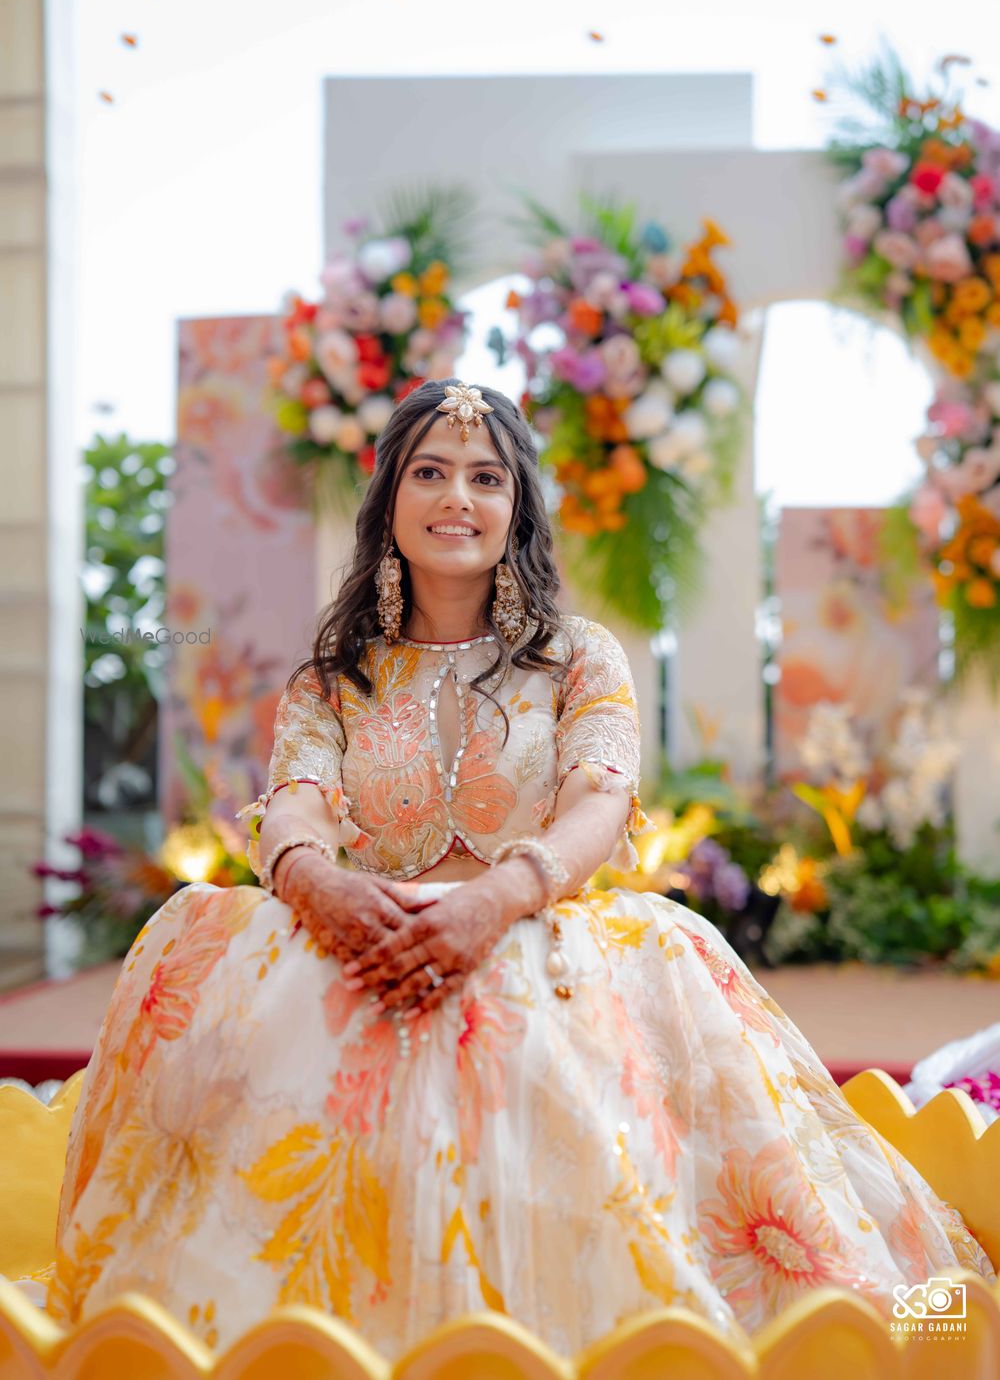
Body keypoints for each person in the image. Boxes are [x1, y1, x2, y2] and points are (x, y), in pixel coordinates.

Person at [47, 380, 992, 1357]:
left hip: (540, 941)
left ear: (517, 508)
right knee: (211, 945)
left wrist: (497, 899)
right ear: (389, 499)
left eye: (485, 478)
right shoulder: (333, 677)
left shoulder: (578, 657)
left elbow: (600, 802)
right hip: (365, 941)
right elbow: (296, 802)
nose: (457, 497)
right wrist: (318, 887)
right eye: (429, 472)